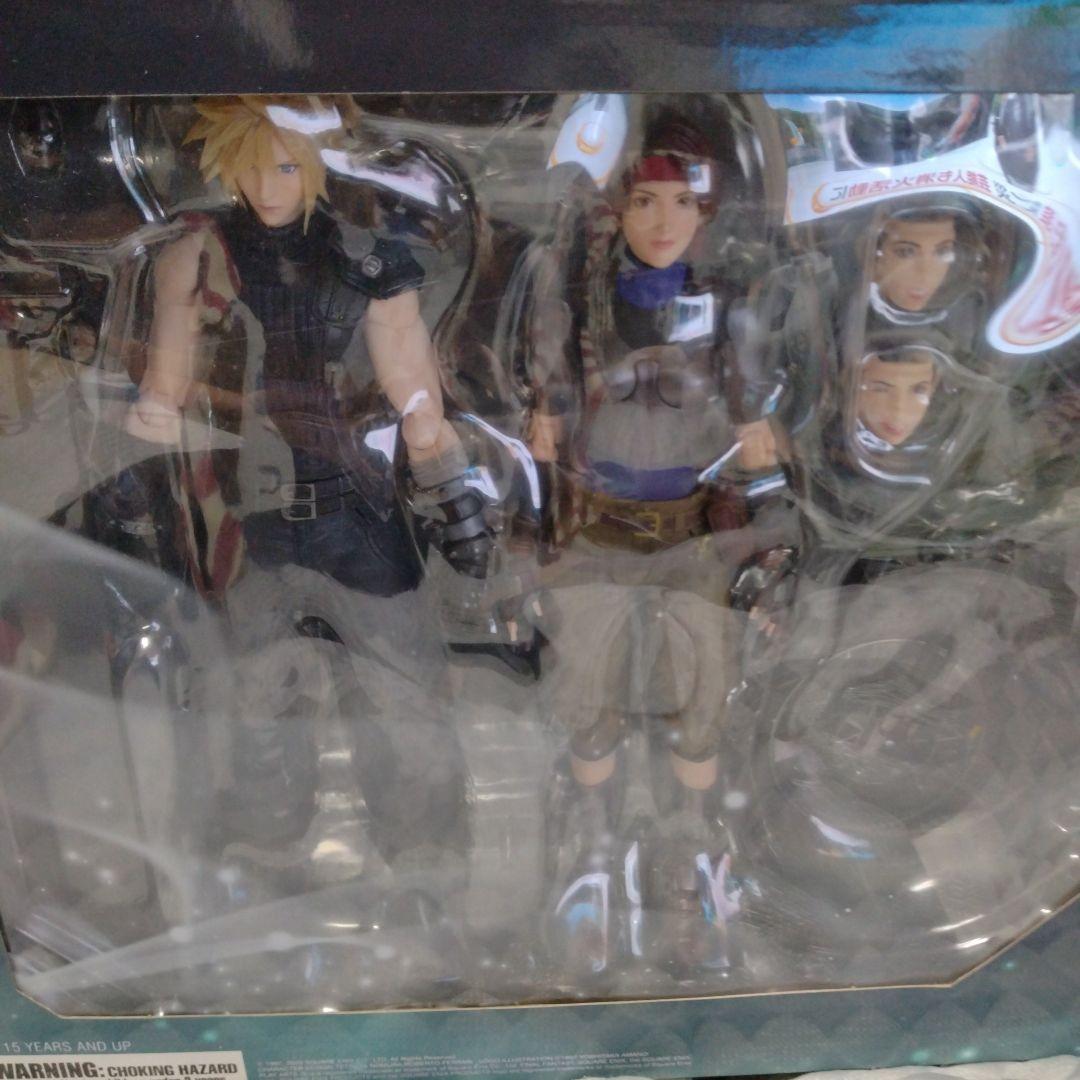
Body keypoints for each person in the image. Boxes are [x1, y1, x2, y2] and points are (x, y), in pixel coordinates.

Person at [524, 111, 785, 985]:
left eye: (681, 201)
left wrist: (771, 551)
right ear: (618, 209)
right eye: (644, 201)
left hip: (692, 536)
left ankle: (691, 843)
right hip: (595, 529)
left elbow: (759, 439)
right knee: (585, 687)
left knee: (699, 692)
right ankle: (592, 845)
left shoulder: (729, 308)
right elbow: (545, 407)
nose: (663, 219)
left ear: (707, 211)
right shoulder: (577, 302)